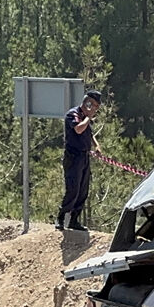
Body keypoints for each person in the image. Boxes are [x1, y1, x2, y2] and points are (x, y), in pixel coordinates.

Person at [55, 90, 105, 231]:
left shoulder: (85, 117)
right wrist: (88, 117)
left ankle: (74, 220)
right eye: (94, 106)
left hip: (84, 157)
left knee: (83, 190)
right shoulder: (74, 114)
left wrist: (97, 146)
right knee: (73, 189)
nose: (95, 109)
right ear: (88, 103)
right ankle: (61, 217)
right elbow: (79, 129)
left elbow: (88, 132)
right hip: (73, 157)